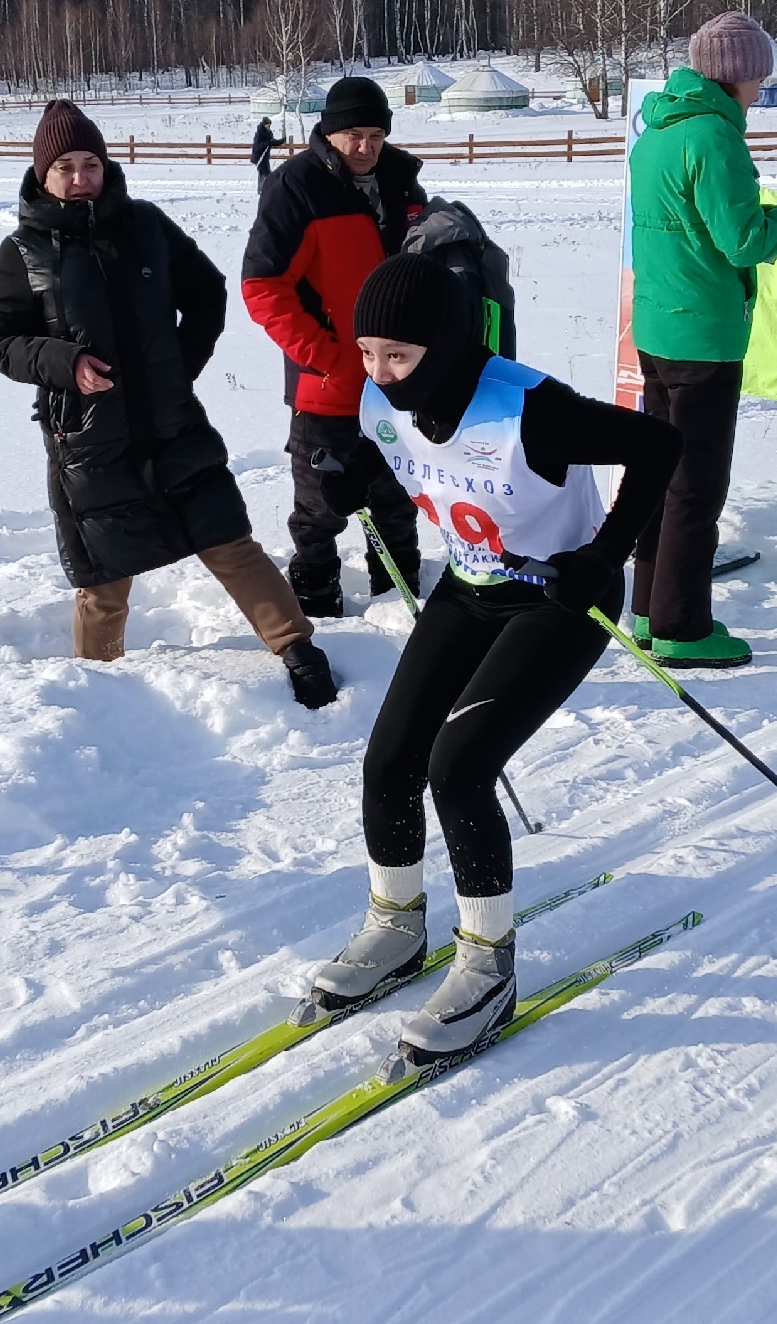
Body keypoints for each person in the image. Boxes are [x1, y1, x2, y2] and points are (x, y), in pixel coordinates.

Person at [301, 251, 680, 1065]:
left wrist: (607, 552)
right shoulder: (384, 395)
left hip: (556, 598)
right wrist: (354, 480)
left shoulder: (529, 408)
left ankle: (488, 969)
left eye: (398, 356)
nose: (380, 373)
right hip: (469, 588)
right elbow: (399, 451)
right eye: (368, 353)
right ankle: (396, 929)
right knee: (389, 758)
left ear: (443, 344)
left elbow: (657, 445)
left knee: (460, 764)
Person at [0, 101, 338, 707]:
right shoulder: (24, 251)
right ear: (43, 174)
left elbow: (207, 291)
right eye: (64, 166)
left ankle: (296, 645)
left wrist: (177, 365)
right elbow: (0, 341)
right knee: (103, 572)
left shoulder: (146, 224)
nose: (78, 177)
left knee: (227, 537)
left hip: (172, 420)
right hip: (89, 434)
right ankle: (94, 686)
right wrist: (64, 364)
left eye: (89, 162)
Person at [624, 11, 777, 666]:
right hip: (703, 336)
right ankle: (683, 630)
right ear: (742, 75)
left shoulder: (656, 132)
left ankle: (647, 611)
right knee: (695, 485)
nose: (761, 89)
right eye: (759, 76)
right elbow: (743, 239)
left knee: (661, 472)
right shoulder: (715, 139)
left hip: (659, 325)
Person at [243, 74, 428, 617]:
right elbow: (262, 287)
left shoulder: (400, 180)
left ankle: (398, 601)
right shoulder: (296, 186)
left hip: (398, 382)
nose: (366, 148)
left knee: (396, 500)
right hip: (327, 385)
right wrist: (325, 356)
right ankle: (316, 600)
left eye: (376, 134)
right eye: (354, 136)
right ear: (329, 132)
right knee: (320, 506)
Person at [249, 116, 282, 193]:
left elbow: (272, 141)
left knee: (265, 172)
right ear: (264, 125)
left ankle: (264, 188)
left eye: (270, 125)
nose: (269, 126)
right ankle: (262, 189)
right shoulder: (259, 134)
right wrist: (266, 144)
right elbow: (258, 146)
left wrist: (280, 141)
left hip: (265, 157)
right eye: (268, 125)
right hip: (259, 156)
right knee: (263, 172)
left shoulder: (269, 133)